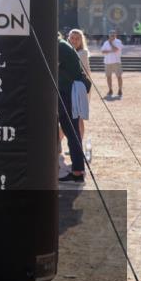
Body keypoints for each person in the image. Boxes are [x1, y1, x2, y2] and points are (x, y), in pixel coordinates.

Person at [59, 33, 90, 183]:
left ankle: (78, 171)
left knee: (71, 131)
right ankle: (77, 170)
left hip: (67, 93)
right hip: (67, 92)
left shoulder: (59, 46)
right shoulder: (61, 45)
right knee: (71, 131)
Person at [68, 28, 92, 162]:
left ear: (81, 40)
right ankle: (76, 144)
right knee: (74, 117)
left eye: (77, 38)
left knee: (78, 117)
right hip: (72, 88)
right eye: (72, 38)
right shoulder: (70, 50)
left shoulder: (82, 53)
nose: (74, 41)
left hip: (78, 88)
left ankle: (78, 144)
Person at [100, 29, 123, 99]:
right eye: (111, 34)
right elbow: (102, 51)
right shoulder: (106, 42)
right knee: (108, 77)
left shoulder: (118, 42)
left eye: (113, 34)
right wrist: (111, 50)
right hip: (107, 62)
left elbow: (116, 49)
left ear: (115, 35)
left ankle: (120, 89)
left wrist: (110, 44)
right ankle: (110, 89)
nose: (112, 35)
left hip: (116, 62)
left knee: (119, 76)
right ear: (109, 35)